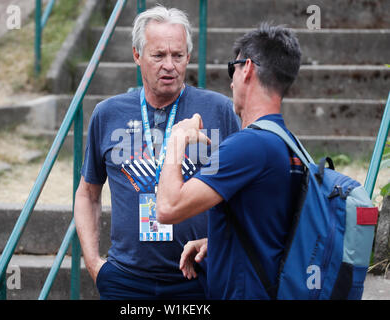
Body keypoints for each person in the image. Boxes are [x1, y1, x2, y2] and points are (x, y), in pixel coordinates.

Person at [74, 5, 240, 300]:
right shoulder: (107, 114)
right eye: (158, 55)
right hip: (126, 280)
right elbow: (88, 194)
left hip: (199, 276)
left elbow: (245, 192)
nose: (169, 65)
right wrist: (95, 264)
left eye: (177, 55)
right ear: (137, 56)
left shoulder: (219, 110)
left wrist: (217, 242)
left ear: (188, 57)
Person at [156, 23, 304, 299]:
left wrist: (176, 139)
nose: (231, 81)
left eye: (232, 70)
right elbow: (268, 226)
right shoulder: (288, 142)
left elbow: (167, 208)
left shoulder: (247, 146)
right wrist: (218, 242)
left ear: (247, 68)